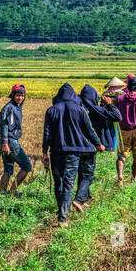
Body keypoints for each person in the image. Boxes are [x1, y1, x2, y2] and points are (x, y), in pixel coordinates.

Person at [41, 84, 104, 227]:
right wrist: (98, 144)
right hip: (73, 152)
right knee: (68, 183)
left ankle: (61, 210)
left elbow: (47, 133)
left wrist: (44, 152)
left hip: (55, 152)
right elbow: (89, 130)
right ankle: (62, 218)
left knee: (59, 182)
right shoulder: (79, 110)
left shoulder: (51, 110)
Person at [76, 84, 119, 211]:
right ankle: (79, 199)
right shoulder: (95, 109)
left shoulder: (77, 108)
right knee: (88, 174)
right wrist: (109, 105)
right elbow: (117, 116)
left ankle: (85, 197)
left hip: (76, 145)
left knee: (81, 173)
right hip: (90, 145)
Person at [0, 84, 34, 194]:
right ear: (13, 95)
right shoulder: (9, 108)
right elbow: (4, 125)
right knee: (27, 166)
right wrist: (5, 143)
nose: (20, 98)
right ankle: (12, 192)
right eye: (18, 95)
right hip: (10, 142)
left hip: (7, 141)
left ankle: (2, 193)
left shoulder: (16, 107)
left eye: (22, 95)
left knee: (8, 169)